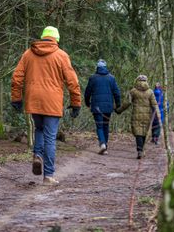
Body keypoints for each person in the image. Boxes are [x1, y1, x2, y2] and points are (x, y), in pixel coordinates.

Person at [11, 26, 81, 185]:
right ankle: (48, 175)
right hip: (52, 102)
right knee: (50, 137)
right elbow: (73, 82)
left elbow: (16, 77)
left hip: (33, 100)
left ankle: (38, 156)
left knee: (39, 129)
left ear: (43, 37)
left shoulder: (28, 54)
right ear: (56, 39)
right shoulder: (61, 55)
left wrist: (16, 98)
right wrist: (76, 103)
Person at [115, 75, 161, 159]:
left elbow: (127, 103)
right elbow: (154, 104)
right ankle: (142, 150)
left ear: (137, 81)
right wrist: (158, 115)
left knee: (138, 132)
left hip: (136, 115)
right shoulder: (150, 92)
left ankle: (139, 150)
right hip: (147, 115)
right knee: (144, 132)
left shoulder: (133, 91)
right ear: (146, 81)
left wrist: (119, 110)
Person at [84, 59, 121, 155]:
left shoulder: (93, 78)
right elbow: (117, 93)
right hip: (108, 107)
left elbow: (87, 92)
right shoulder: (111, 78)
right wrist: (118, 105)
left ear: (97, 67)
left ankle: (102, 144)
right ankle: (105, 147)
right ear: (105, 67)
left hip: (97, 107)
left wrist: (87, 103)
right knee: (105, 125)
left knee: (99, 126)